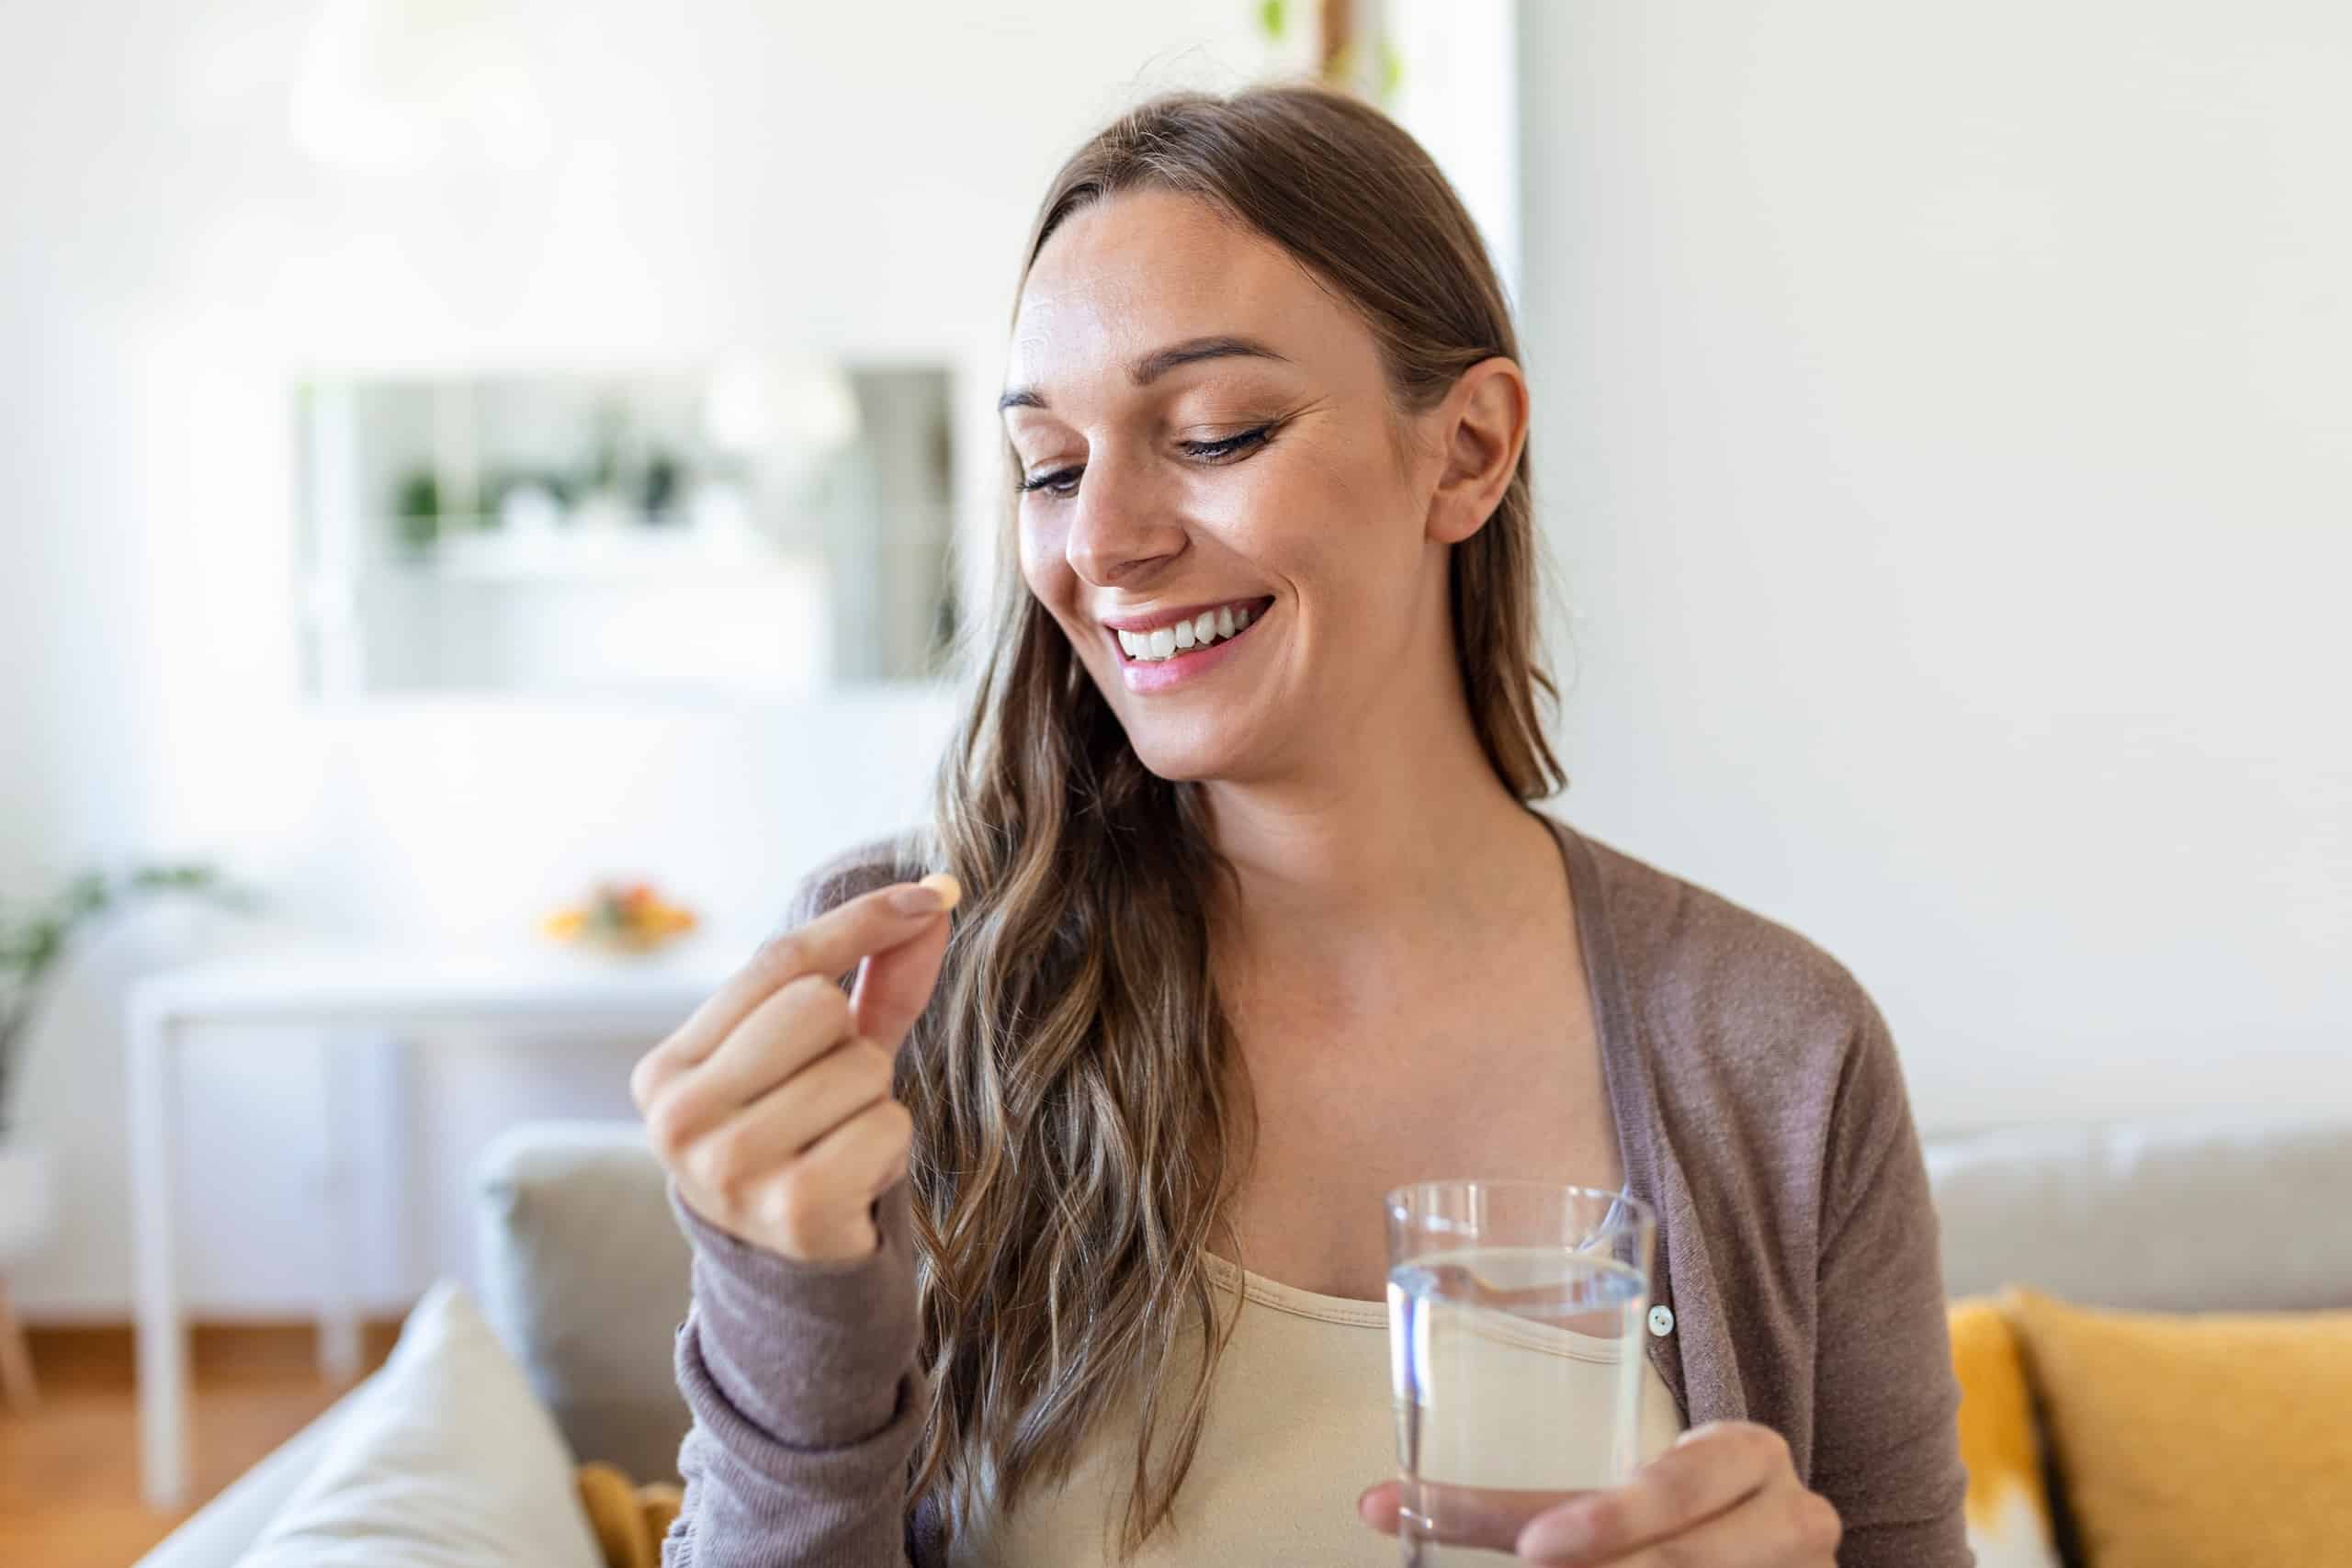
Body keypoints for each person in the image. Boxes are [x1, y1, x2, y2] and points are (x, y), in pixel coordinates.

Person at [628, 85, 1969, 1568]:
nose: (1101, 541)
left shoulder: (1777, 1052)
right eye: (1050, 467)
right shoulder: (916, 999)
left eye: (1215, 432)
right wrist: (788, 1317)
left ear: (1465, 451)